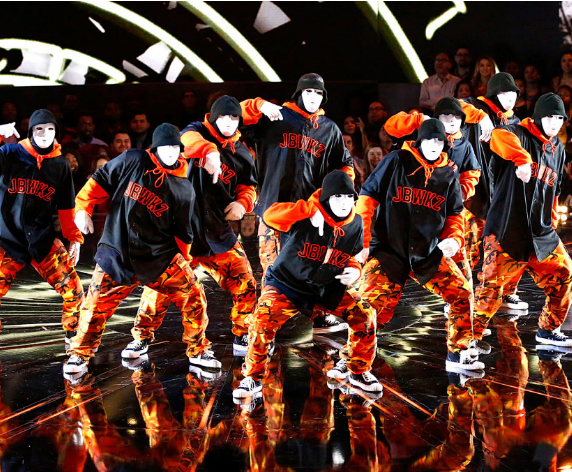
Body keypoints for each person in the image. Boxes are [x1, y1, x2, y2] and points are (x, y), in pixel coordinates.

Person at [63, 123, 215, 375]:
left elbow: (183, 231)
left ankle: (198, 349)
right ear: (155, 149)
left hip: (159, 257)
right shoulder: (133, 159)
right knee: (94, 308)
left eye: (175, 147)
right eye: (165, 147)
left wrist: (183, 261)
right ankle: (79, 354)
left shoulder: (183, 186)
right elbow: (101, 178)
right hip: (118, 251)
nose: (170, 152)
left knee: (193, 294)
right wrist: (82, 208)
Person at [121, 96, 258, 359]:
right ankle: (141, 338)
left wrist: (243, 203)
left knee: (245, 281)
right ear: (212, 117)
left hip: (217, 231)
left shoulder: (241, 151)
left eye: (234, 117)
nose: (228, 122)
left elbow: (248, 186)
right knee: (158, 290)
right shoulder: (195, 132)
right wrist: (211, 152)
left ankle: (243, 334)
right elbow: (187, 140)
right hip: (180, 232)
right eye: (223, 117)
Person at [232, 171, 381, 399]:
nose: (344, 202)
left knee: (365, 314)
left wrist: (355, 270)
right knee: (262, 320)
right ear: (326, 198)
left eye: (348, 197)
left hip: (325, 286)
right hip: (286, 283)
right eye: (337, 196)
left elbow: (351, 255)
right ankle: (252, 377)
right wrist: (308, 210)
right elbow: (270, 216)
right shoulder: (305, 214)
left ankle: (358, 370)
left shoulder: (356, 223)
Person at [356, 119, 484, 372]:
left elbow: (455, 214)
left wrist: (454, 238)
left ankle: (459, 353)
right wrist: (362, 241)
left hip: (427, 252)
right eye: (429, 140)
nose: (435, 145)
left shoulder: (448, 173)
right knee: (367, 308)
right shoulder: (397, 160)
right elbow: (367, 196)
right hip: (389, 250)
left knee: (461, 293)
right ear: (419, 141)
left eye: (440, 141)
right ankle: (352, 362)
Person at [239, 73, 354, 334]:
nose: (313, 97)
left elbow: (344, 164)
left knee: (313, 265)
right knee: (273, 268)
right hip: (274, 210)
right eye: (308, 91)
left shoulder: (329, 129)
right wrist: (259, 105)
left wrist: (339, 191)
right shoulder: (276, 117)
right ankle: (264, 328)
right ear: (298, 94)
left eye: (319, 93)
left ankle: (319, 316)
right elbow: (237, 118)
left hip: (311, 214)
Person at [472, 93, 572, 349]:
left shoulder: (558, 149)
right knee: (490, 292)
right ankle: (465, 343)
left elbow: (554, 190)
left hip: (541, 233)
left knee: (564, 274)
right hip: (506, 231)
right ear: (538, 117)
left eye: (559, 118)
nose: (554, 123)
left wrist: (551, 220)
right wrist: (521, 159)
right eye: (549, 117)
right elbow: (497, 136)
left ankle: (549, 329)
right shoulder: (516, 133)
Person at [0, 109, 84, 344]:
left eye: (50, 129)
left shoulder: (60, 164)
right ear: (30, 132)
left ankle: (73, 335)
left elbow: (67, 205)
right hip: (7, 239)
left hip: (41, 239)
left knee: (74, 289)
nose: (45, 134)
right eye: (39, 129)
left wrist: (74, 237)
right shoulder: (10, 153)